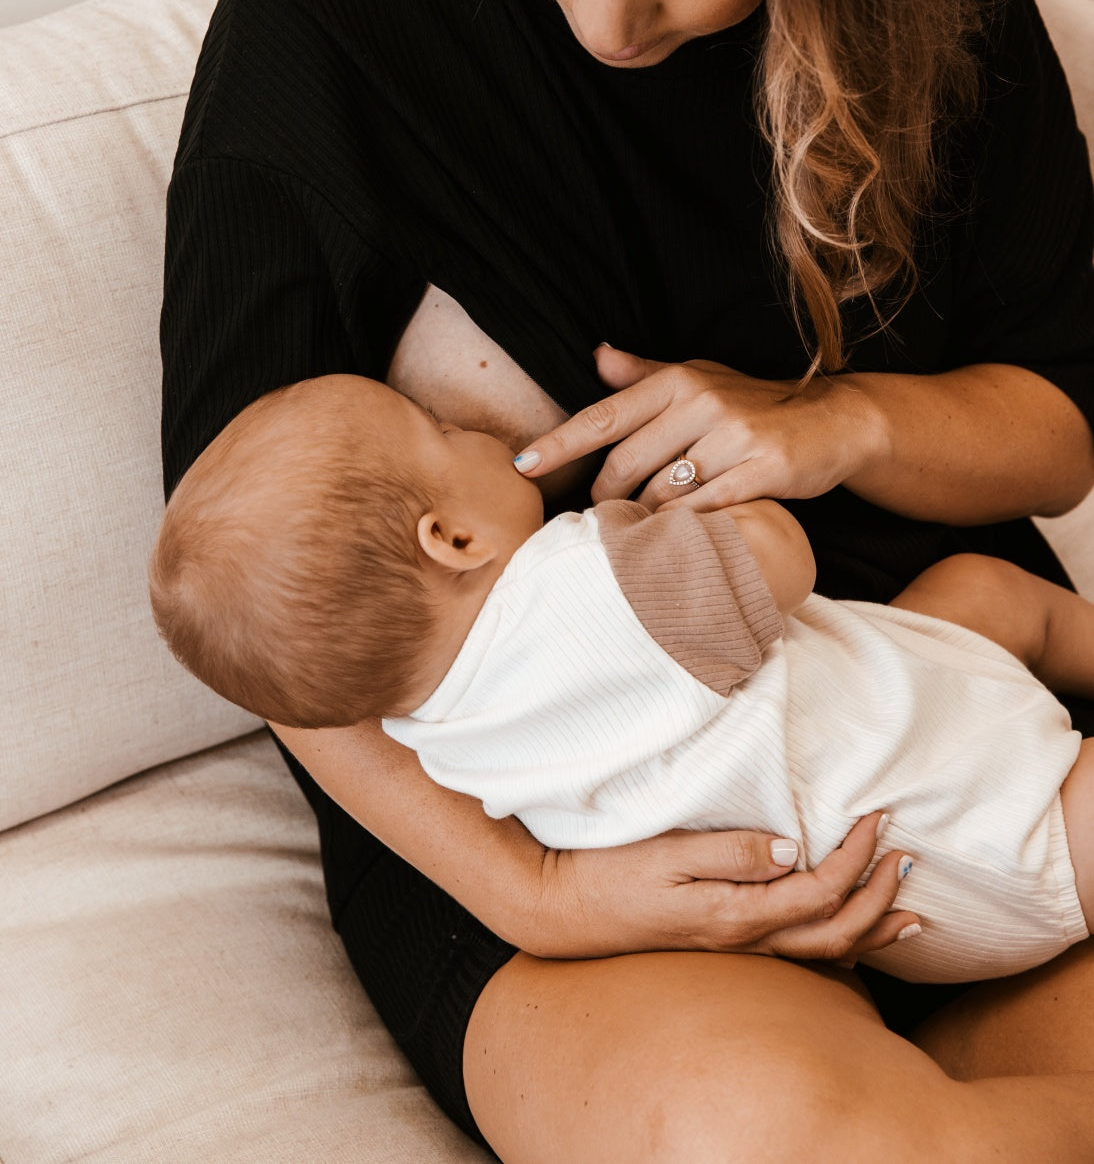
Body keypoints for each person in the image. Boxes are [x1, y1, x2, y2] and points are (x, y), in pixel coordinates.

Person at [159, 0, 1094, 1155]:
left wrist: (835, 428)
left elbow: (1051, 423)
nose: (606, 16)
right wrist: (548, 892)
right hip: (566, 828)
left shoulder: (942, 7)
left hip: (940, 708)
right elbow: (266, 619)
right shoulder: (330, 26)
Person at [150, 372, 1094, 987]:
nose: (473, 426)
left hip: (909, 902)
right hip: (980, 811)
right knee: (1011, 602)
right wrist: (671, 507)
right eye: (440, 429)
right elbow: (782, 557)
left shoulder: (433, 734)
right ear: (453, 539)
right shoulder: (585, 589)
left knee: (970, 594)